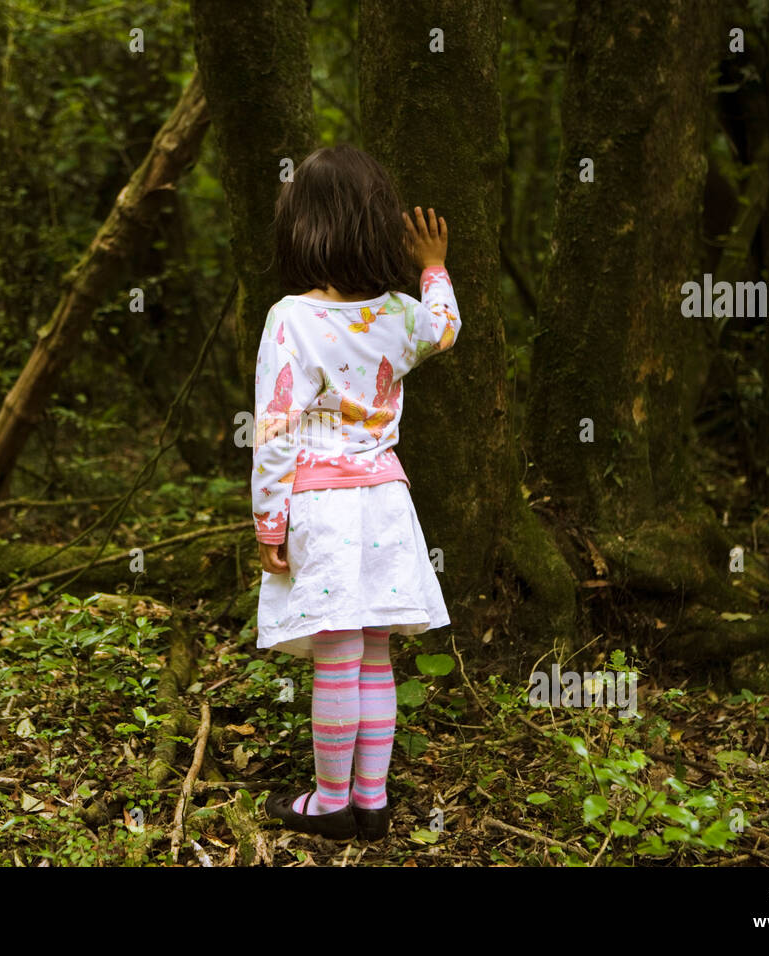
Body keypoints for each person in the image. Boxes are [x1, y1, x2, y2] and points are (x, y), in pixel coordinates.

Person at [250, 144, 461, 841]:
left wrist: (268, 524)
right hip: (385, 501)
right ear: (377, 227)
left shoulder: (291, 318)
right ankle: (372, 802)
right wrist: (433, 267)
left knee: (335, 654)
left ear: (303, 226)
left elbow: (276, 432)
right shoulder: (401, 314)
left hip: (321, 504)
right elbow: (447, 330)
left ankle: (330, 801)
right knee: (375, 652)